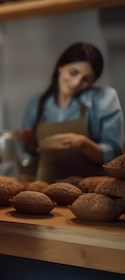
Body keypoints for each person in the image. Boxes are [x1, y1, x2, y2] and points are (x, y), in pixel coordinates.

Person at [16, 42, 123, 183]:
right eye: (73, 72)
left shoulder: (104, 98)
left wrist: (84, 144)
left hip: (89, 189)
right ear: (60, 67)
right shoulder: (36, 102)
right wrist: (29, 144)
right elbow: (31, 155)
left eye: (87, 79)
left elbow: (114, 156)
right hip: (45, 189)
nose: (77, 82)